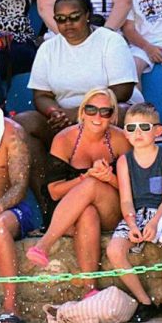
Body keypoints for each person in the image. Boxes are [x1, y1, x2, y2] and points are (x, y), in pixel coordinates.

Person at [24, 87, 130, 293]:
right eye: (91, 110)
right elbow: (54, 192)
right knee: (87, 212)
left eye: (105, 112)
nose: (97, 117)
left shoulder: (120, 140)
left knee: (92, 186)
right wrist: (85, 176)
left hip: (112, 208)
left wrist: (108, 178)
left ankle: (44, 245)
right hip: (71, 214)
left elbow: (132, 189)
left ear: (113, 116)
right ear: (82, 113)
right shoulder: (64, 139)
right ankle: (90, 289)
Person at [105, 103, 162, 320]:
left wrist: (154, 223)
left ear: (158, 131)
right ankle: (144, 302)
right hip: (137, 213)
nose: (138, 133)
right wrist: (133, 225)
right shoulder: (124, 161)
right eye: (131, 128)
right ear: (125, 133)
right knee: (114, 251)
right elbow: (125, 200)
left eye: (144, 127)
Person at [21, 0, 137, 144]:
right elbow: (41, 95)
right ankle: (52, 166)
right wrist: (55, 113)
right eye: (61, 19)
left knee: (122, 112)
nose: (67, 23)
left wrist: (81, 113)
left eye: (74, 17)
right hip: (63, 118)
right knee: (25, 122)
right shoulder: (48, 48)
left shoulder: (111, 40)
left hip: (103, 112)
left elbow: (123, 90)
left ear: (87, 15)